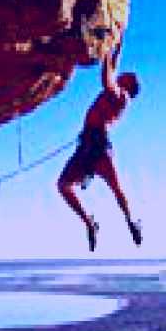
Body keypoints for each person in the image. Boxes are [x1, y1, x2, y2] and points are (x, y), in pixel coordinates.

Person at [57, 41, 141, 252]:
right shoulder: (119, 94)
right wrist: (117, 48)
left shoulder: (120, 95)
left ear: (128, 84)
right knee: (64, 185)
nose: (121, 74)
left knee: (115, 187)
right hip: (90, 144)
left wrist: (106, 51)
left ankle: (130, 220)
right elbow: (113, 69)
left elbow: (107, 78)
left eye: (125, 76)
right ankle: (91, 222)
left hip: (97, 145)